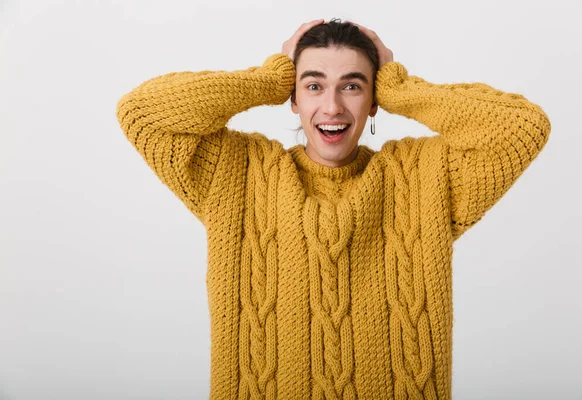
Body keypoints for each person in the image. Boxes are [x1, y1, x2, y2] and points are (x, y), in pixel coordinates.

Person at [116, 18, 551, 400]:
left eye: (352, 85)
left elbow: (520, 127)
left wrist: (400, 86)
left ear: (374, 98)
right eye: (313, 85)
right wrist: (269, 77)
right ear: (293, 97)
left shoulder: (422, 179)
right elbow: (143, 113)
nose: (332, 107)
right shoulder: (237, 174)